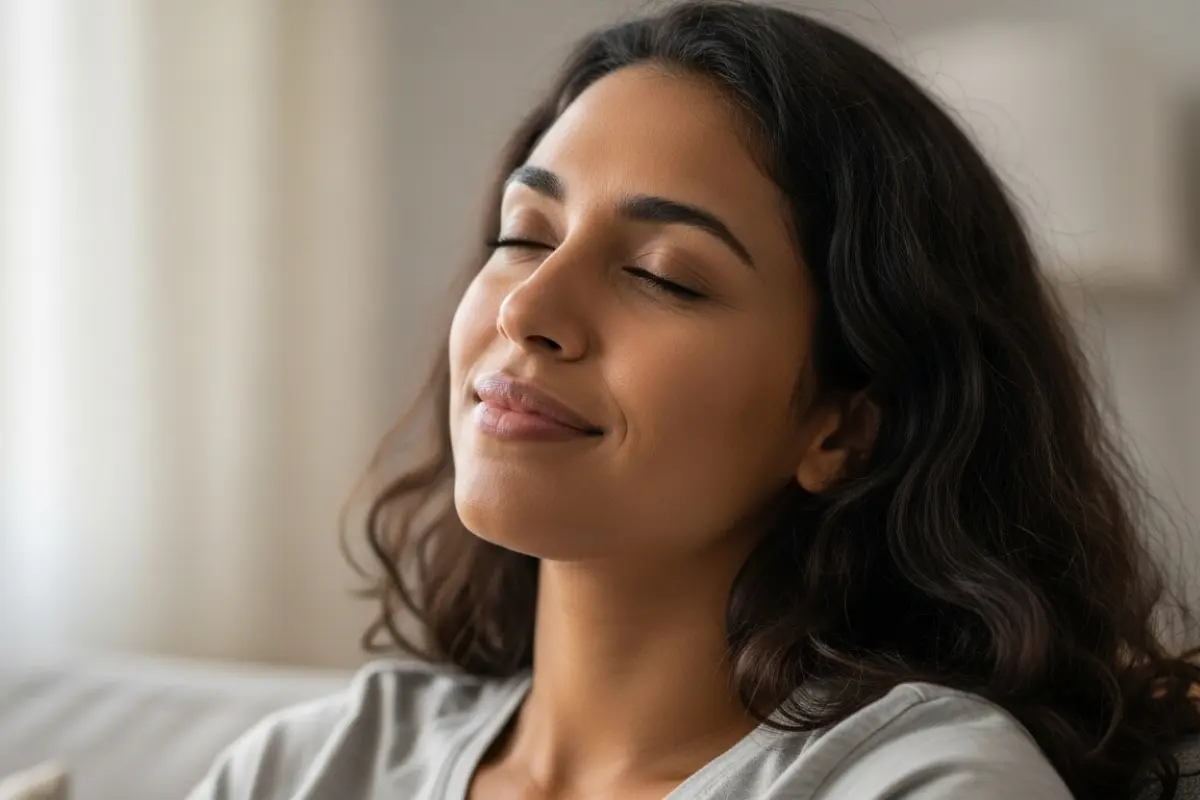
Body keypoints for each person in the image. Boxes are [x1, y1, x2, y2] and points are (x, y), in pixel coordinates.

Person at [189, 2, 1200, 798]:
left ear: (845, 425)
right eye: (525, 235)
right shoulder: (309, 767)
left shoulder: (927, 784)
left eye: (664, 274)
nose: (529, 310)